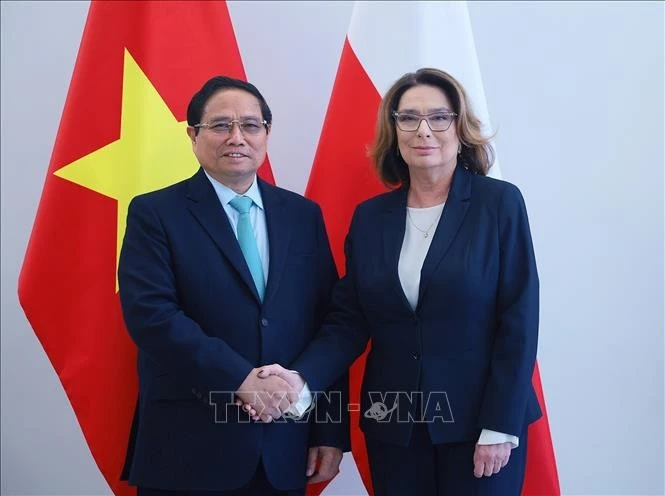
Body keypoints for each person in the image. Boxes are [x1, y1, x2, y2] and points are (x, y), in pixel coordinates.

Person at [256, 68, 542, 495]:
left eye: (438, 117)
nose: (423, 130)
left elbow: (518, 320)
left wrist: (500, 425)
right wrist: (301, 380)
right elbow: (349, 321)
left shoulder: (498, 204)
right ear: (394, 129)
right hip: (394, 428)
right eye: (408, 118)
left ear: (459, 127)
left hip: (480, 427)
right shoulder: (372, 218)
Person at [117, 75, 348, 495]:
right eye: (221, 125)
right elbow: (152, 317)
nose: (236, 137)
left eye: (250, 125)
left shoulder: (302, 216)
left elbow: (331, 322)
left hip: (282, 447)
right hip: (187, 449)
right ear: (193, 135)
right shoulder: (155, 214)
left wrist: (328, 432)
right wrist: (240, 380)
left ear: (266, 134)